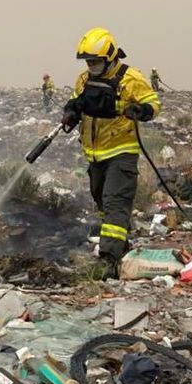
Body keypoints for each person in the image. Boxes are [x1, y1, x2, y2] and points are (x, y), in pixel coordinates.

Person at [61, 27, 160, 278]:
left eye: (95, 61)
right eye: (88, 61)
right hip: (95, 154)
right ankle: (121, 245)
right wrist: (71, 112)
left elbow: (153, 103)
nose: (90, 65)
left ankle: (108, 260)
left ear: (110, 57)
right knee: (102, 200)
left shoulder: (130, 79)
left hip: (121, 151)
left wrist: (140, 111)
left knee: (115, 201)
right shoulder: (84, 80)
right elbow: (76, 101)